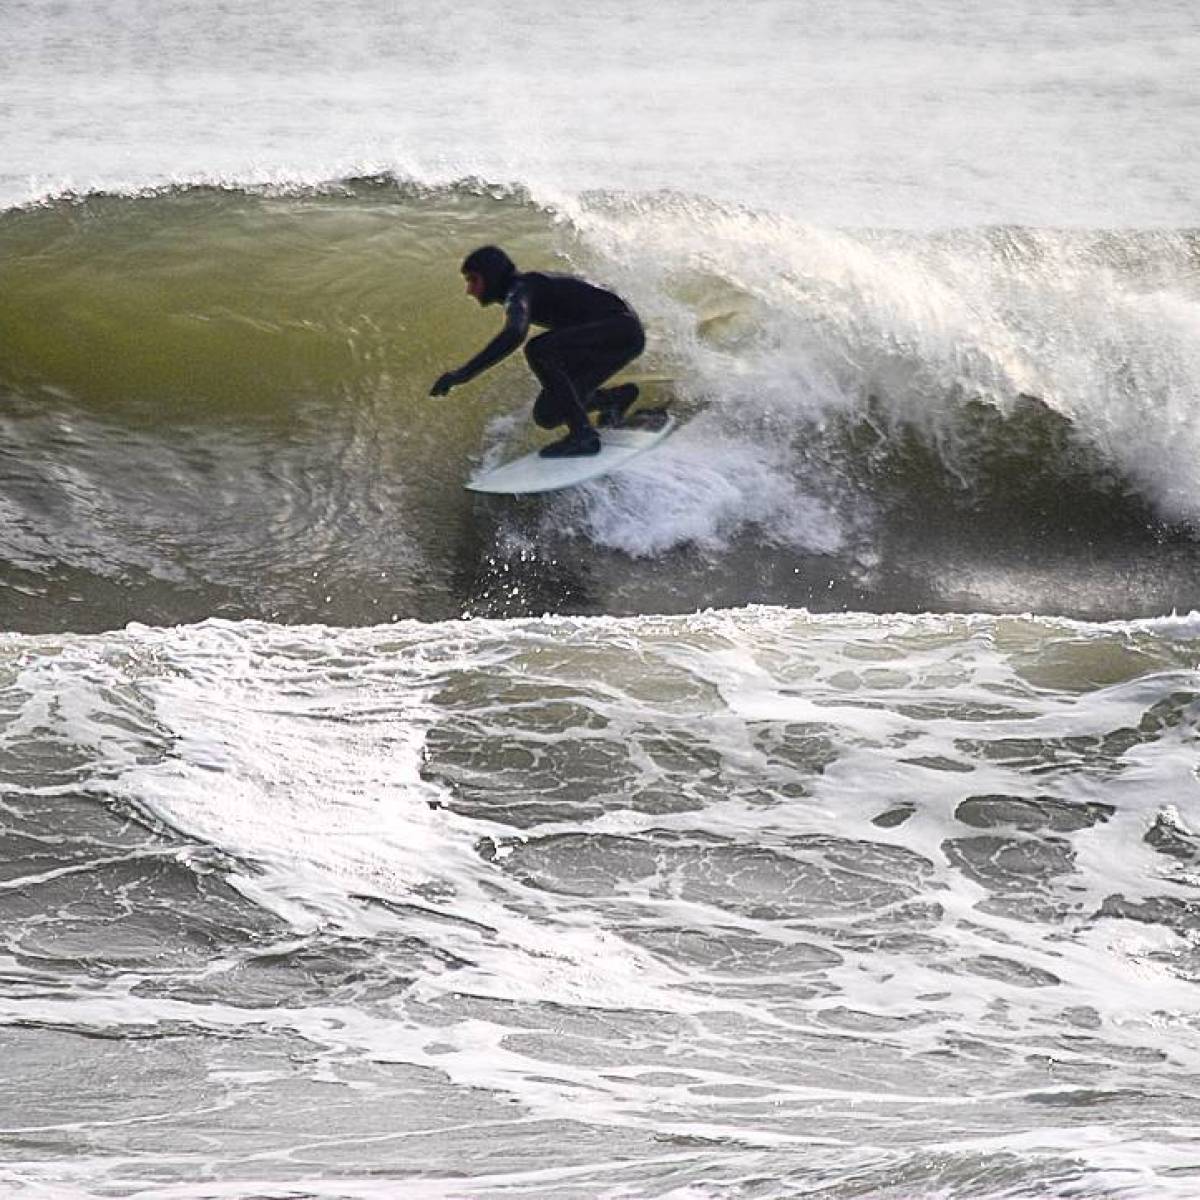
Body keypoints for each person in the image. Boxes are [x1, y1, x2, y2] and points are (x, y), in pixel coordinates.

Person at [430, 246, 645, 457]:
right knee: (548, 414)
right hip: (617, 335)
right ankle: (614, 400)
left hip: (620, 330)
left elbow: (514, 333)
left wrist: (463, 374)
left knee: (538, 349)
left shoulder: (520, 290)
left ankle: (583, 435)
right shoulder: (524, 288)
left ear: (491, 276)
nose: (470, 290)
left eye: (473, 280)